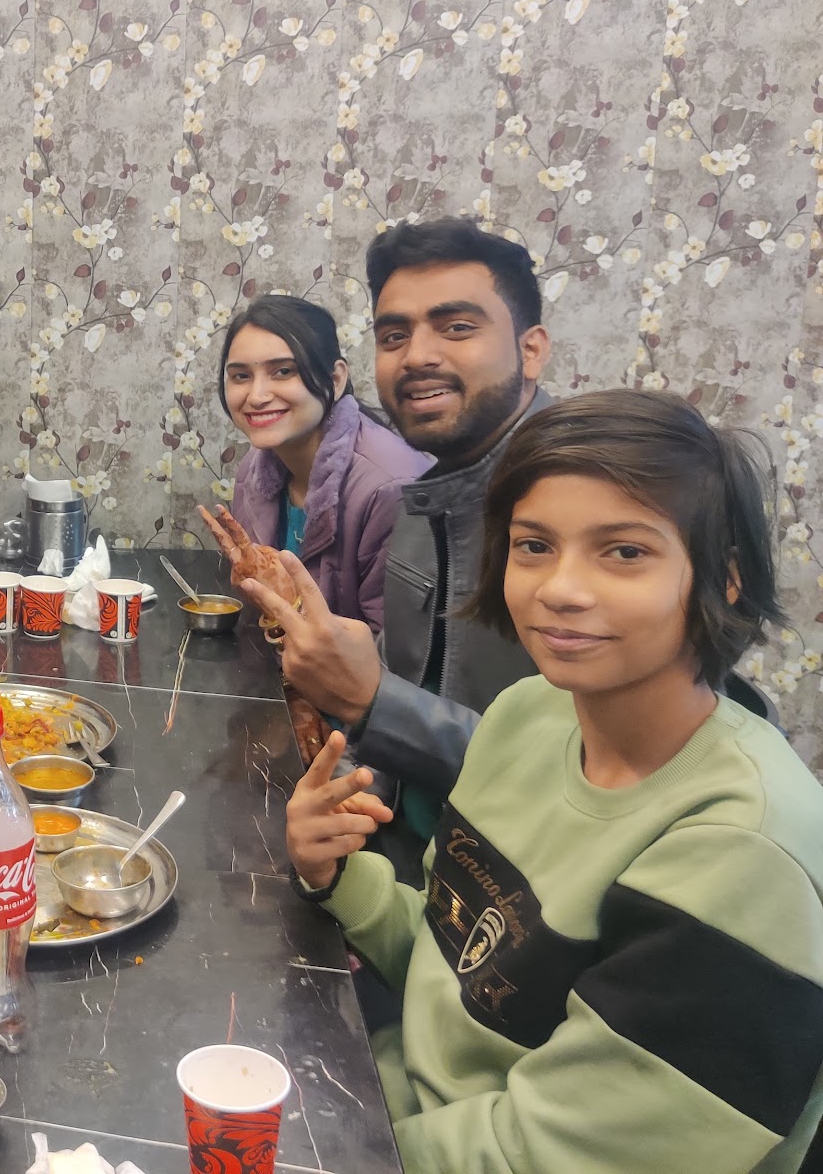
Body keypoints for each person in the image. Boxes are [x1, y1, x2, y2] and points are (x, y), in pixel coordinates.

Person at [284, 389, 823, 1173]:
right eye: (534, 545)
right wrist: (337, 873)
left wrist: (322, 1145)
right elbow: (461, 968)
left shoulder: (742, 851)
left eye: (624, 552)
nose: (561, 589)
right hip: (379, 1101)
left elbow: (544, 1155)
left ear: (726, 578)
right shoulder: (528, 715)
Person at [241, 221, 557, 828]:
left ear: (531, 349)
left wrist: (371, 701)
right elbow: (388, 693)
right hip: (401, 856)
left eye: (457, 327)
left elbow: (593, 785)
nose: (417, 356)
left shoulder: (588, 510)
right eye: (394, 336)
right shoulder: (424, 498)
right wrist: (336, 803)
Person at [197, 294, 430, 634]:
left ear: (335, 379)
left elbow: (397, 649)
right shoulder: (254, 470)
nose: (257, 396)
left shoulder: (392, 488)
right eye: (241, 376)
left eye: (283, 371)